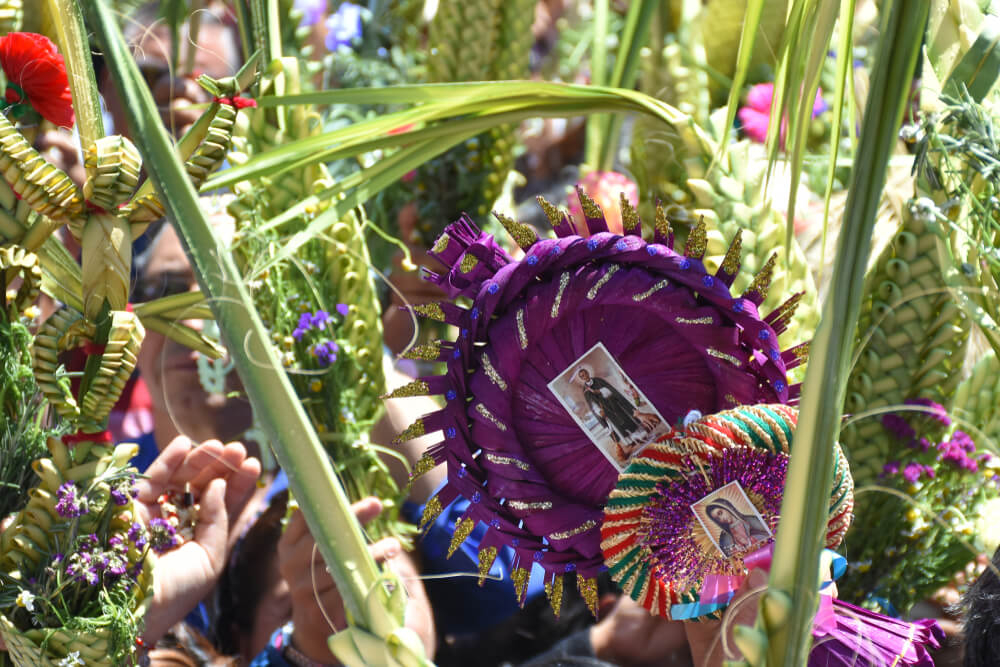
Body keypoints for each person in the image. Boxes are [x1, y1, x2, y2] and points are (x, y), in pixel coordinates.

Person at [577, 367, 643, 452]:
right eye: (582, 376)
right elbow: (591, 404)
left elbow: (609, 389)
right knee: (617, 425)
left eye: (585, 373)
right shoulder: (585, 390)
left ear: (588, 373)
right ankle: (629, 441)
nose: (585, 376)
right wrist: (599, 411)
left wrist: (600, 391)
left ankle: (639, 435)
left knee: (625, 418)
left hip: (612, 403)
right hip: (605, 409)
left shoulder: (598, 380)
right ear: (581, 378)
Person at [704, 499, 770, 558]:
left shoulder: (751, 520)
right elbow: (729, 555)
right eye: (717, 519)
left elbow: (769, 533)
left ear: (727, 507)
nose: (721, 519)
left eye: (720, 513)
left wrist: (751, 540)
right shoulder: (724, 537)